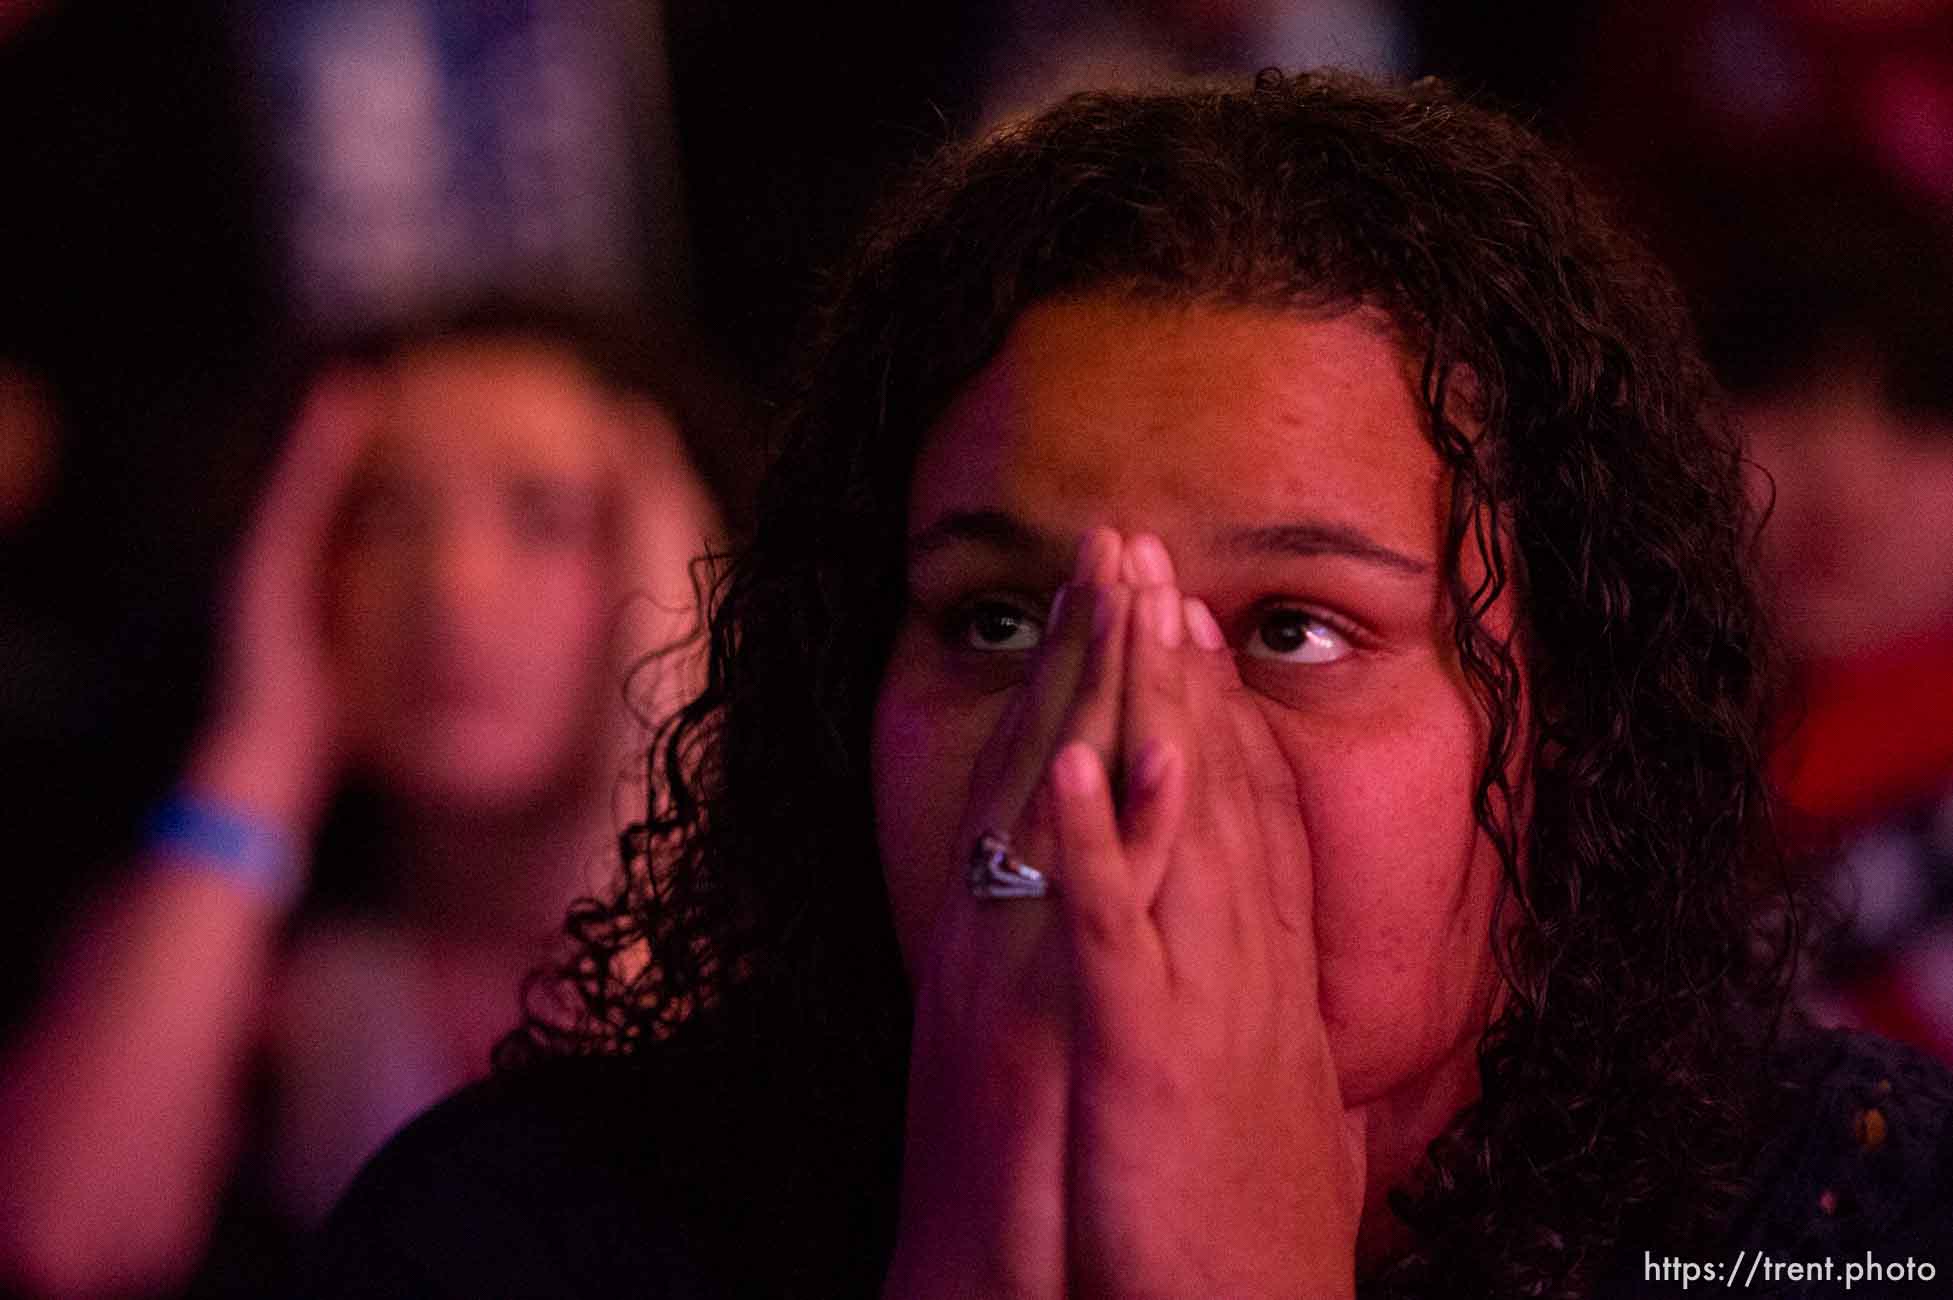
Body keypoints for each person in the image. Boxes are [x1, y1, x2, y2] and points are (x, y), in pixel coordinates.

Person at [309, 74, 1953, 1298]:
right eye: (1000, 623)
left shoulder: (1842, 1218)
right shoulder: (516, 1232)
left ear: (1562, 728)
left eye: (1292, 629)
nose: (1110, 754)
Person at [0, 302, 723, 1297]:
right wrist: (259, 750)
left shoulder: (825, 968)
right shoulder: (262, 968)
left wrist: (659, 767)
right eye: (382, 514)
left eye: (546, 516)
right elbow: (60, 1244)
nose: (453, 592)